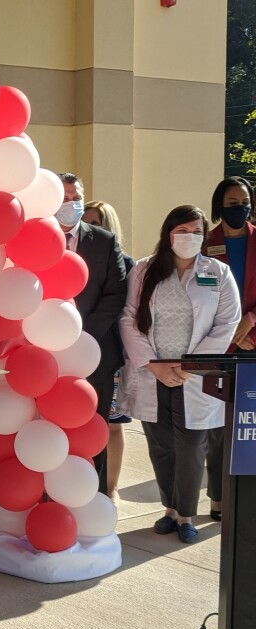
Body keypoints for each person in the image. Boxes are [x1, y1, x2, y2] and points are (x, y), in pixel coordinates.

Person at [119, 205, 240, 544]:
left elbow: (227, 323)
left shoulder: (217, 272)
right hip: (152, 370)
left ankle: (186, 514)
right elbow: (129, 317)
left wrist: (190, 366)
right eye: (182, 231)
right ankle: (170, 509)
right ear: (168, 233)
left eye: (196, 231)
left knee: (191, 444)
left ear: (204, 235)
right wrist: (154, 365)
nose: (189, 238)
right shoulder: (145, 270)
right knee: (161, 444)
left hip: (195, 374)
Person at [56, 173, 128, 495]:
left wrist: (82, 335)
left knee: (93, 430)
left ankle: (94, 496)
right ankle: (53, 498)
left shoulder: (103, 240)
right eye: (64, 197)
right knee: (52, 431)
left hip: (95, 353)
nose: (71, 204)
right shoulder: (31, 236)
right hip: (46, 357)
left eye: (76, 197)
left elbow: (116, 293)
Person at [203, 176, 256, 522]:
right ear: (219, 206)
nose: (239, 208)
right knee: (218, 426)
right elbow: (200, 296)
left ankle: (249, 496)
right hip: (218, 346)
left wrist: (249, 322)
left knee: (251, 421)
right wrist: (229, 335)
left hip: (253, 340)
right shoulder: (206, 244)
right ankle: (219, 498)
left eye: (244, 202)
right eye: (232, 203)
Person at [83, 200, 135, 506]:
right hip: (76, 356)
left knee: (111, 424)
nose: (91, 225)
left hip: (108, 352)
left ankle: (110, 488)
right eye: (88, 220)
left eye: (97, 221)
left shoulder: (125, 263)